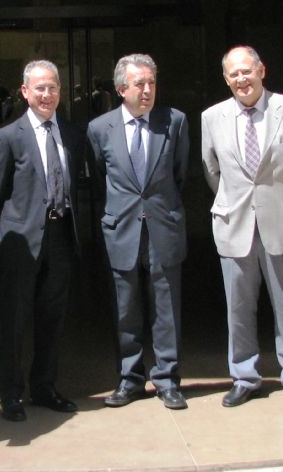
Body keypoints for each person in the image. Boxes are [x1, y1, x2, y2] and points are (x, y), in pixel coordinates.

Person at [201, 45, 283, 408]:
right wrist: (235, 201)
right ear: (226, 79)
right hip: (234, 225)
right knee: (239, 307)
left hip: (282, 222)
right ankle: (244, 376)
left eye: (247, 71)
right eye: (233, 74)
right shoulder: (212, 117)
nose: (241, 79)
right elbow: (211, 169)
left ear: (262, 70)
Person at [0, 60, 84, 422]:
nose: (47, 94)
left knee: (52, 318)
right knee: (15, 321)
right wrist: (12, 228)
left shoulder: (71, 134)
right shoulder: (8, 137)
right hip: (21, 243)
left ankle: (44, 387)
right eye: (39, 88)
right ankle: (10, 393)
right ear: (24, 92)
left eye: (53, 87)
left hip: (60, 238)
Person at [87, 54, 189, 410]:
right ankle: (130, 378)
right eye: (139, 84)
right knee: (125, 310)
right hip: (122, 229)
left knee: (166, 308)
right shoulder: (99, 129)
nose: (147, 91)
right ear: (121, 89)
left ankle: (168, 379)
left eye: (151, 83)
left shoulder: (174, 122)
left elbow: (180, 174)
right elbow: (100, 182)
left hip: (163, 225)